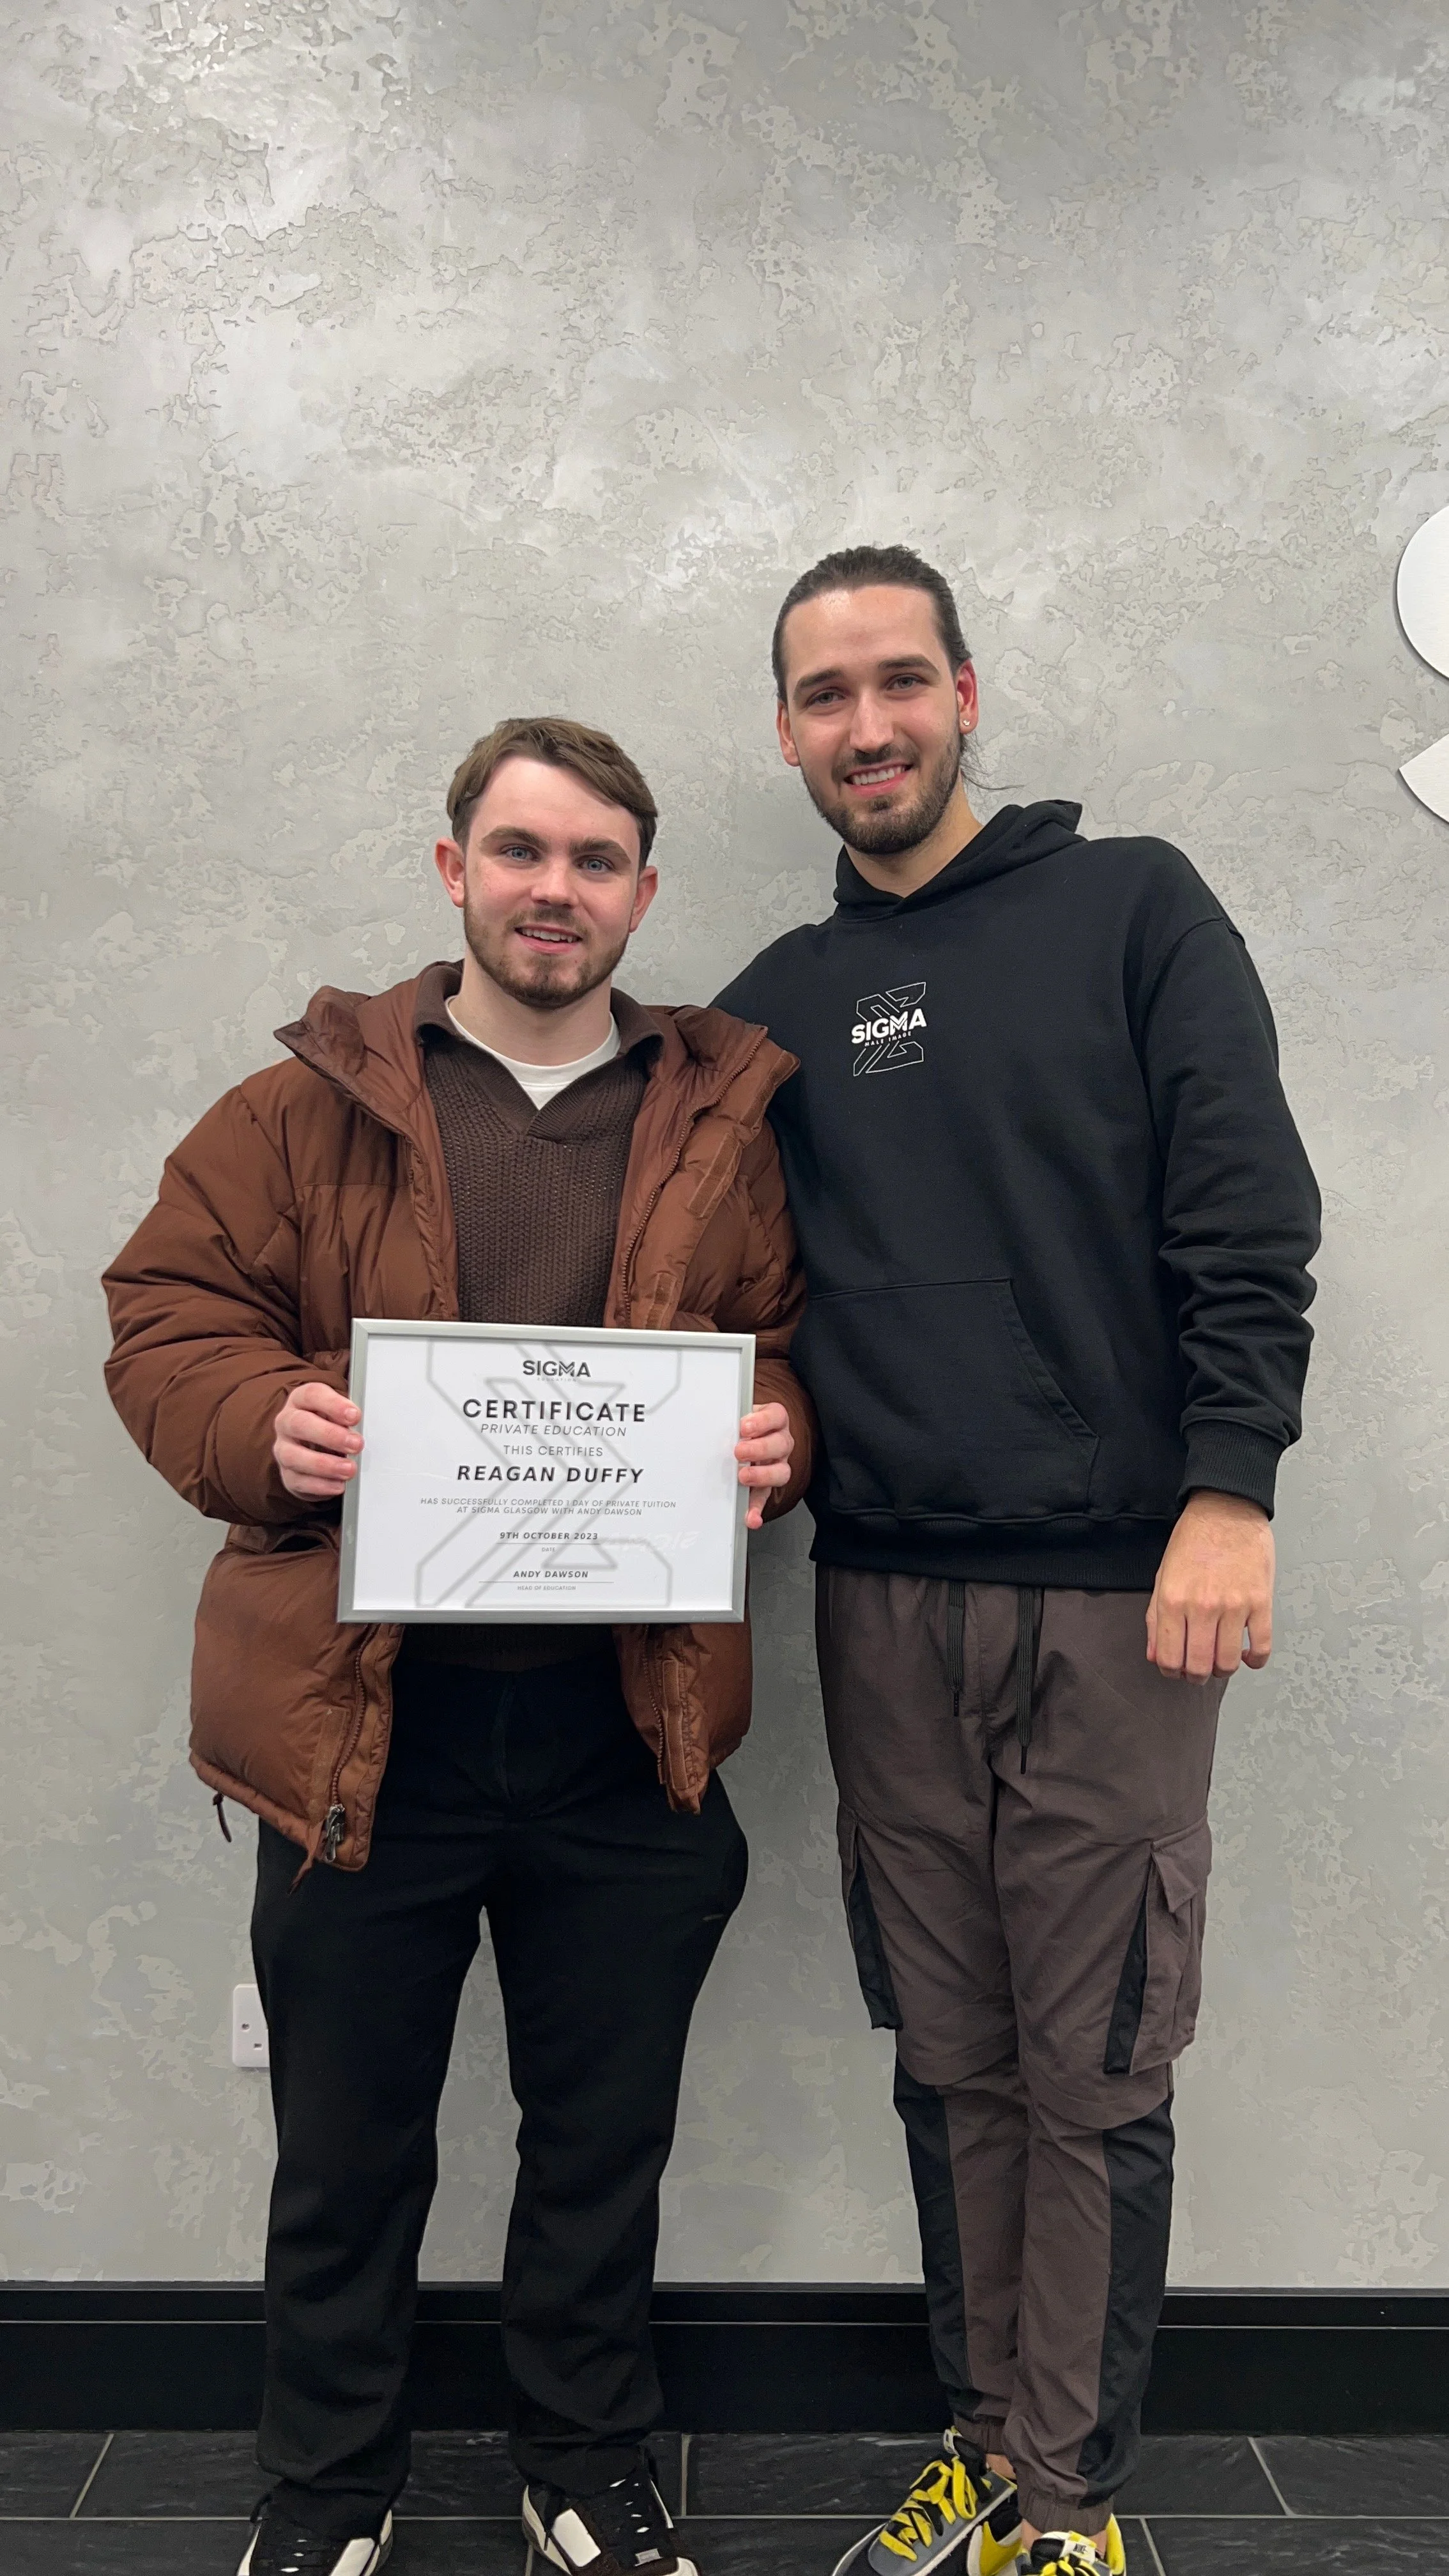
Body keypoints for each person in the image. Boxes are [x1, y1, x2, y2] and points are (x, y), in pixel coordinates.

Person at [103, 716, 814, 2576]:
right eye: (520, 852)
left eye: (593, 863)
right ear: (453, 872)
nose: (553, 892)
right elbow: (165, 1309)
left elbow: (791, 1343)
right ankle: (329, 2492)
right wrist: (262, 1416)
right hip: (363, 1734)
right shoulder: (298, 1107)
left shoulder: (722, 1117)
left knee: (601, 2145)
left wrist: (783, 1435)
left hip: (626, 1726)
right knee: (349, 2157)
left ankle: (582, 2464)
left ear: (641, 894)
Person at [716, 547, 1320, 2576]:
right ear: (785, 728)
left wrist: (1226, 1485)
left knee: (1094, 2059)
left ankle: (1067, 2508)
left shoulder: (1132, 907)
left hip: (1120, 1597)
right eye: (822, 696)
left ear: (966, 693)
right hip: (881, 1598)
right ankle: (980, 2439)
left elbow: (1242, 1204)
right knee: (952, 2057)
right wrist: (761, 1411)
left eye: (899, 682)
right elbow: (724, 1289)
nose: (865, 727)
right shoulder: (768, 1016)